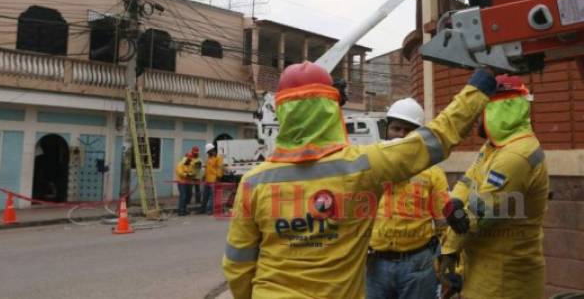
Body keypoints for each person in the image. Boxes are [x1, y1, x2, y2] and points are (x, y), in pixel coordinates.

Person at [222, 61, 497, 299]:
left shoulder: (253, 183)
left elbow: (238, 265)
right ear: (331, 111)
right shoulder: (363, 166)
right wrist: (480, 83)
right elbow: (436, 138)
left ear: (281, 112)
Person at [439, 74, 548, 299]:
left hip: (504, 280)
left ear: (498, 109)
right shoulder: (495, 147)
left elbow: (477, 216)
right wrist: (456, 200)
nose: (477, 118)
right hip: (485, 270)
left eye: (482, 110)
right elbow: (468, 179)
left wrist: (447, 251)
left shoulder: (515, 156)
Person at [366, 98, 449, 299]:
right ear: (387, 129)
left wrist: (447, 265)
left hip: (418, 265)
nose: (402, 135)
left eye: (409, 130)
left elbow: (444, 224)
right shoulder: (370, 166)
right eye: (396, 128)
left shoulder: (432, 173)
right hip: (376, 264)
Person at [202, 143, 224, 215]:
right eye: (207, 152)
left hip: (214, 180)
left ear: (211, 150)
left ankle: (209, 209)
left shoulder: (218, 158)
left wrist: (218, 177)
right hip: (207, 180)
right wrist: (204, 176)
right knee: (205, 195)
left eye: (208, 152)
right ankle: (203, 208)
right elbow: (206, 169)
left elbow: (219, 168)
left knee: (212, 196)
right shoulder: (209, 158)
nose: (208, 153)